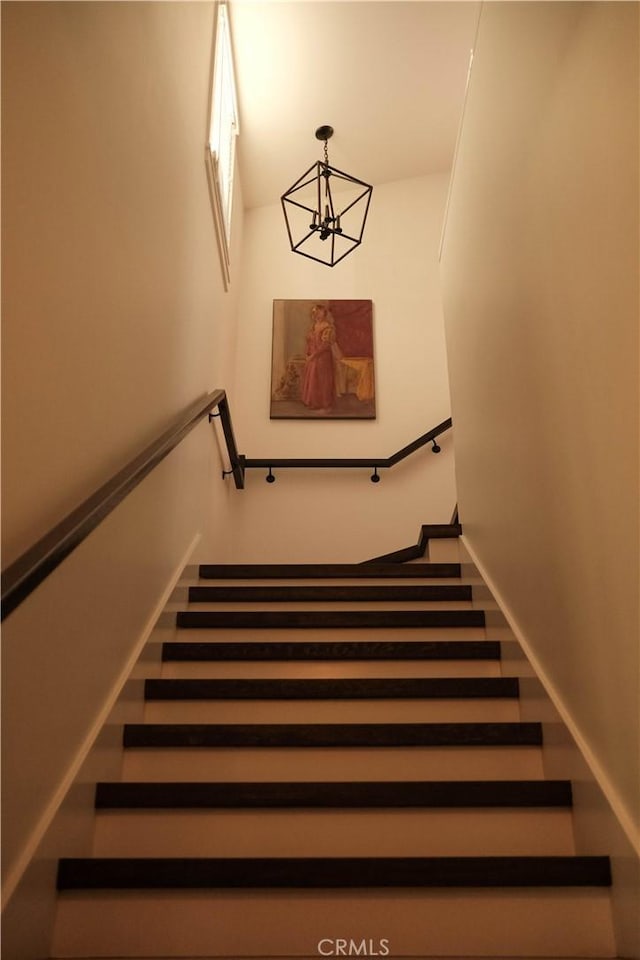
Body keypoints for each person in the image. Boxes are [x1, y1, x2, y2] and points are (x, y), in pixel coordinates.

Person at [300, 304, 341, 413]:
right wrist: (308, 353)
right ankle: (313, 402)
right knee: (312, 378)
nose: (315, 314)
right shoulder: (313, 326)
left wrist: (314, 355)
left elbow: (325, 345)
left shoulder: (327, 327)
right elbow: (309, 341)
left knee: (322, 380)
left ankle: (324, 404)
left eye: (318, 312)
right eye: (314, 312)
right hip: (313, 357)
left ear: (324, 314)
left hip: (323, 358)